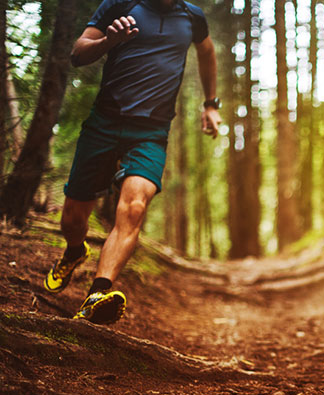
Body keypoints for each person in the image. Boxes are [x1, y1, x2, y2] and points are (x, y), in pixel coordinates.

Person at [43, 0, 221, 325]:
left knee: (134, 207)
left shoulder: (192, 16)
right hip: (104, 123)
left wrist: (210, 104)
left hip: (151, 131)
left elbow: (206, 51)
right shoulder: (120, 4)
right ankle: (74, 251)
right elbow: (77, 54)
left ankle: (97, 294)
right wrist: (108, 42)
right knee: (72, 220)